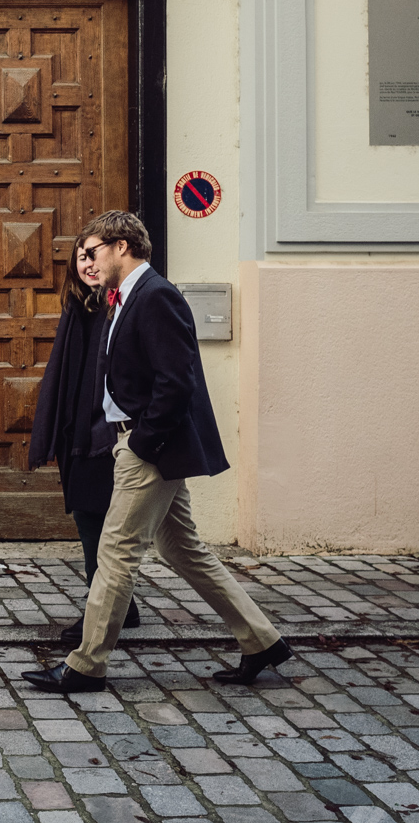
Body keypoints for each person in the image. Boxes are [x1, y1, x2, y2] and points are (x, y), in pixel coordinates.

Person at [23, 211, 291, 695]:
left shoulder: (156, 295)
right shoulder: (124, 298)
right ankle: (262, 640)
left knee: (117, 551)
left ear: (122, 246)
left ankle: (86, 666)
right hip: (141, 441)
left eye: (94, 251)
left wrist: (141, 443)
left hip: (147, 448)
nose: (88, 261)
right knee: (181, 547)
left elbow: (177, 380)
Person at [28, 239, 140, 640]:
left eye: (95, 256)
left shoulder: (122, 303)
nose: (89, 265)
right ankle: (121, 606)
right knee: (90, 517)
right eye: (81, 258)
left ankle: (105, 610)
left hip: (105, 431)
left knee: (96, 520)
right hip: (79, 428)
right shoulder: (80, 306)